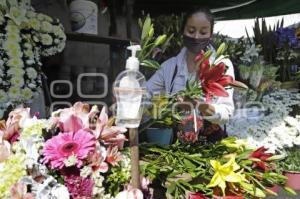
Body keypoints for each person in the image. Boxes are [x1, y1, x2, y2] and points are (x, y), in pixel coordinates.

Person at [145, 7, 235, 143]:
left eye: (203, 32)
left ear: (211, 34)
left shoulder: (222, 65)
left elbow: (226, 112)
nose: (196, 37)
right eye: (191, 31)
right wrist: (127, 94)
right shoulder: (170, 66)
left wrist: (199, 106)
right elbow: (146, 93)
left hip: (210, 147)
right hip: (175, 144)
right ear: (183, 31)